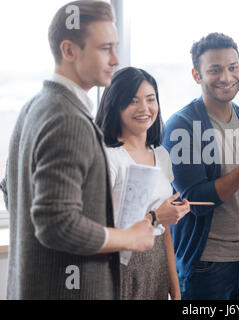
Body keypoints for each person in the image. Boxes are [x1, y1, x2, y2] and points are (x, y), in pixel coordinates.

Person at [0, 1, 156, 300]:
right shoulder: (67, 120)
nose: (115, 59)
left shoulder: (34, 107)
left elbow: (13, 194)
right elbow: (57, 225)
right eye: (105, 48)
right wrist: (129, 237)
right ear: (69, 50)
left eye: (116, 47)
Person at [162, 32, 239, 300]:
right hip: (207, 265)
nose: (227, 77)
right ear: (197, 75)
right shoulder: (181, 127)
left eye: (233, 67)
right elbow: (195, 199)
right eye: (215, 70)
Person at [95, 67, 190, 300]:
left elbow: (164, 231)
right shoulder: (108, 157)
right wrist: (155, 216)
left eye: (151, 99)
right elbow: (96, 230)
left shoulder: (161, 155)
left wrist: (175, 289)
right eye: (133, 101)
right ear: (115, 105)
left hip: (155, 263)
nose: (145, 109)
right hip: (118, 266)